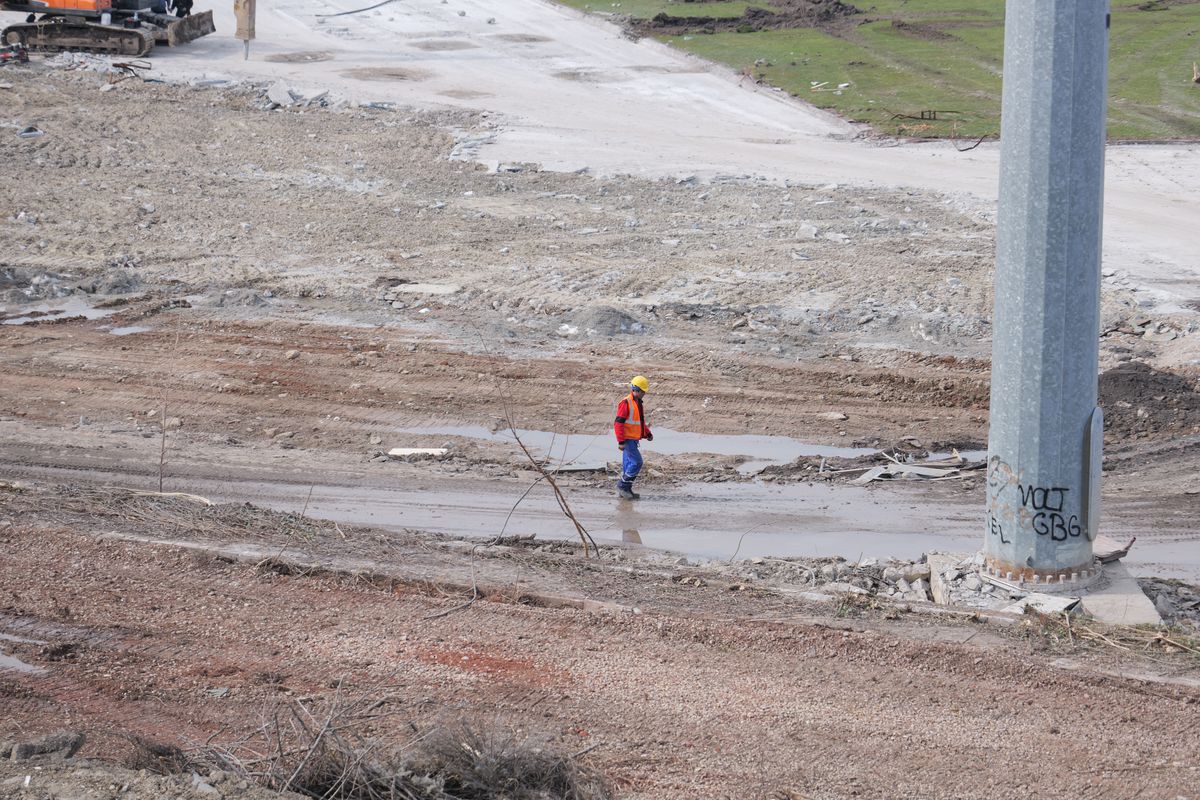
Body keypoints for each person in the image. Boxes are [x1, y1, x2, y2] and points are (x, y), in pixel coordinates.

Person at [614, 375, 653, 500]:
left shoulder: (637, 403)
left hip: (633, 439)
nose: (644, 394)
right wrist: (620, 441)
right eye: (642, 392)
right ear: (636, 389)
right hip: (627, 440)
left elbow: (640, 422)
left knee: (628, 465)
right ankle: (622, 486)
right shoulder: (626, 403)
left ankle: (626, 491)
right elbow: (618, 423)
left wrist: (647, 433)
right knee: (637, 462)